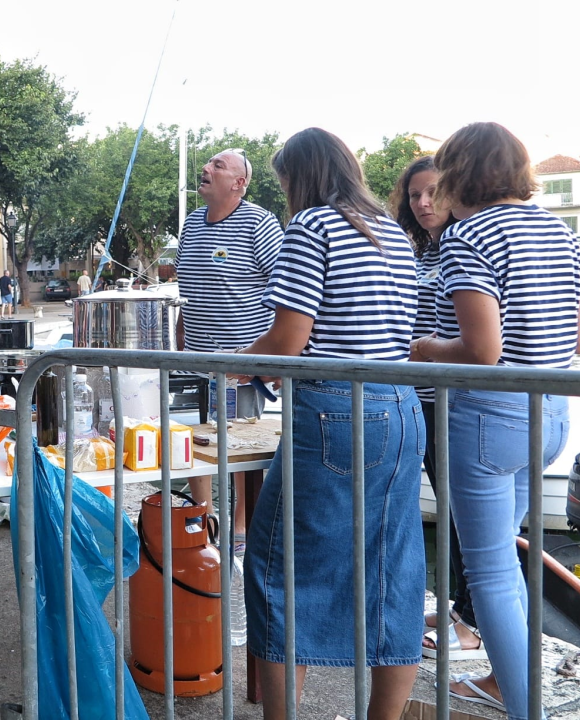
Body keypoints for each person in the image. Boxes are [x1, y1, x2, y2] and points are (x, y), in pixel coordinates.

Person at [236, 128, 424, 720]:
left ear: (301, 176)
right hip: (399, 410)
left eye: (284, 180)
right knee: (392, 575)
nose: (284, 191)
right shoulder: (391, 231)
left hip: (334, 414)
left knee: (278, 572)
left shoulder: (312, 227)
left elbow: (291, 339)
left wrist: (233, 366)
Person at [413, 122, 580, 718]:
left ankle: (522, 708)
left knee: (488, 576)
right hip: (551, 414)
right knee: (502, 569)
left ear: (460, 172)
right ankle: (515, 688)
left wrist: (427, 348)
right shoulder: (558, 231)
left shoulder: (470, 236)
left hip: (489, 419)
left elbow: (481, 351)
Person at [391, 157, 486, 660]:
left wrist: (426, 348)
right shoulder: (422, 250)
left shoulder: (466, 244)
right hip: (420, 399)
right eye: (413, 196)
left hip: (458, 401)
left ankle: (471, 624)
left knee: (467, 516)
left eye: (432, 193)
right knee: (447, 512)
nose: (423, 203)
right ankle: (456, 609)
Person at [174, 148, 285, 540]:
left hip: (243, 363)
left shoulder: (259, 223)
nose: (206, 168)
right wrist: (181, 330)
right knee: (193, 439)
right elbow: (186, 285)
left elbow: (284, 288)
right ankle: (202, 518)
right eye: (208, 163)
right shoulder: (191, 223)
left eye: (218, 165)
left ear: (239, 183)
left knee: (241, 443)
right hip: (194, 359)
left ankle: (242, 528)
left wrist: (270, 356)